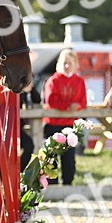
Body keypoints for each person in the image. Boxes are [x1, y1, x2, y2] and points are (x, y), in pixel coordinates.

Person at [42, 49, 87, 183]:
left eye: (70, 63)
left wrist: (76, 106)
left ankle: (68, 184)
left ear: (75, 64)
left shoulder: (79, 81)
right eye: (64, 63)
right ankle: (52, 186)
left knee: (69, 158)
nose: (67, 66)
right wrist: (68, 106)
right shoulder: (53, 80)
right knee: (52, 158)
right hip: (53, 124)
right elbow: (51, 101)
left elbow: (83, 101)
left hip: (70, 125)